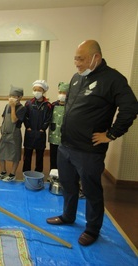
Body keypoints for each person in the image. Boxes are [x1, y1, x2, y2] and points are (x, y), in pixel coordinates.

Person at [46, 40, 138, 246]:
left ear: (95, 57)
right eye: (75, 58)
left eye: (81, 59)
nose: (76, 63)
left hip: (89, 151)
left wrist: (111, 134)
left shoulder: (113, 79)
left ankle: (92, 229)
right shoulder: (77, 78)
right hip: (66, 146)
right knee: (69, 186)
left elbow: (130, 108)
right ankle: (68, 216)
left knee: (91, 191)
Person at [0, 86, 26, 182]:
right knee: (0, 153)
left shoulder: (22, 108)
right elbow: (4, 118)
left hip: (14, 133)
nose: (11, 98)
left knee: (15, 154)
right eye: (10, 95)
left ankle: (12, 174)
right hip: (5, 133)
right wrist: (2, 127)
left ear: (20, 97)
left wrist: (13, 107)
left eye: (14, 96)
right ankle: (3, 171)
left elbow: (13, 120)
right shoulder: (7, 106)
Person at [22, 80, 52, 173]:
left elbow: (48, 118)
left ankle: (38, 172)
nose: (36, 92)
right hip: (30, 132)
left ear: (43, 91)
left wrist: (43, 129)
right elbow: (25, 116)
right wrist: (28, 126)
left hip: (40, 133)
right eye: (35, 90)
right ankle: (26, 172)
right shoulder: (28, 103)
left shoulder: (48, 105)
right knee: (27, 154)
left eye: (39, 90)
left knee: (39, 155)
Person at [48, 82, 69, 170]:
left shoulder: (70, 106)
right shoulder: (53, 105)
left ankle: (63, 175)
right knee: (53, 156)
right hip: (53, 134)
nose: (61, 95)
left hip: (65, 136)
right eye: (60, 92)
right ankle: (52, 174)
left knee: (64, 157)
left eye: (64, 93)